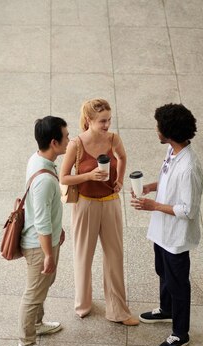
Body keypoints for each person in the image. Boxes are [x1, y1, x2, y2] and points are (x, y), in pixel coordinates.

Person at [131, 103, 203, 346]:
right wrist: (150, 187)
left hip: (176, 237)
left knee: (178, 284)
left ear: (168, 132)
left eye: (158, 126)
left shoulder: (189, 168)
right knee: (162, 271)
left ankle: (180, 333)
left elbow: (188, 210)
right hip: (162, 231)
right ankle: (166, 309)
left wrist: (154, 205)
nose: (156, 129)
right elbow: (165, 178)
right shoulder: (173, 152)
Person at [60, 98, 139, 326]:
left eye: (109, 120)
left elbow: (123, 157)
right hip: (85, 204)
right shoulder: (76, 144)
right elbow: (63, 177)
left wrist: (120, 180)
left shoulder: (113, 139)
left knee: (115, 256)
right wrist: (88, 175)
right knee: (83, 255)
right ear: (89, 120)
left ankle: (118, 311)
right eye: (102, 121)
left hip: (111, 201)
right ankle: (83, 305)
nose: (107, 125)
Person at [18, 116, 69, 346]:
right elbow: (41, 222)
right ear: (54, 142)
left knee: (42, 286)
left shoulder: (38, 159)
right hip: (39, 245)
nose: (69, 140)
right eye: (66, 137)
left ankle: (37, 324)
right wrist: (48, 254)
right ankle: (26, 342)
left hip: (47, 240)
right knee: (34, 292)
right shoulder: (45, 180)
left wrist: (58, 232)